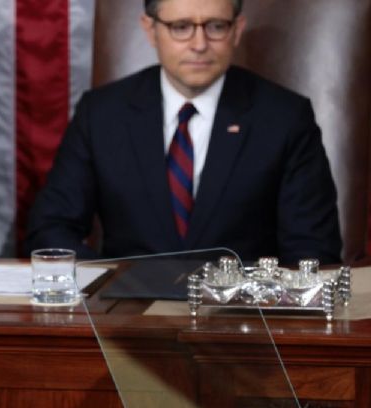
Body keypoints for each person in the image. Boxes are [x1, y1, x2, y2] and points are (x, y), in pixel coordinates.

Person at [26, 0, 342, 265]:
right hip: (125, 316)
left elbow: (313, 252)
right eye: (181, 27)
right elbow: (52, 229)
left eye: (216, 26)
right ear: (151, 29)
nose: (199, 44)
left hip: (242, 320)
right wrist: (111, 285)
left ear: (237, 30)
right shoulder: (101, 113)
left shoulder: (285, 117)